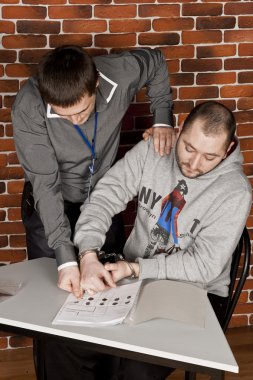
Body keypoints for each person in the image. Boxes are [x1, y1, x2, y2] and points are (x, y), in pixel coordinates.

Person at [70, 101, 251, 380]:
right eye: (189, 148)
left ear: (227, 151)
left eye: (209, 157)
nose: (193, 164)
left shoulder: (235, 191)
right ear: (178, 131)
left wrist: (136, 268)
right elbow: (105, 197)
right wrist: (88, 254)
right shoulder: (155, 149)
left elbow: (204, 266)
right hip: (133, 279)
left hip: (198, 292)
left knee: (135, 368)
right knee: (67, 343)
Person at [11, 45, 175, 295]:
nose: (75, 120)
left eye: (81, 111)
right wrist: (66, 261)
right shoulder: (28, 106)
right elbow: (46, 185)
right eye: (64, 116)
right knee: (51, 295)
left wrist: (162, 118)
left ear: (96, 83)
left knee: (110, 287)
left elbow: (156, 61)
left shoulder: (121, 73)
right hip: (51, 206)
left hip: (103, 200)